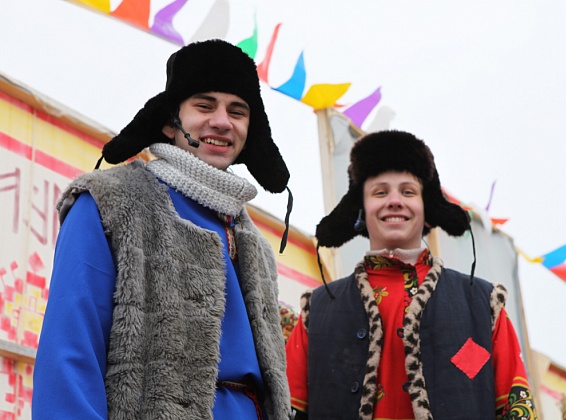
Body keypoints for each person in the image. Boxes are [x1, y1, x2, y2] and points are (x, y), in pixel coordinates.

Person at [32, 39, 293, 419]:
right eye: (204, 105)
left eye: (237, 111)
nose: (222, 121)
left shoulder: (255, 243)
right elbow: (69, 352)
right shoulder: (109, 202)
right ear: (171, 123)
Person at [285, 130, 537, 419]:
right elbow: (287, 411)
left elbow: (517, 411)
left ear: (427, 207)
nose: (394, 201)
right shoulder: (317, 312)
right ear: (361, 209)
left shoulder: (484, 305)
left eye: (408, 191)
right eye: (380, 192)